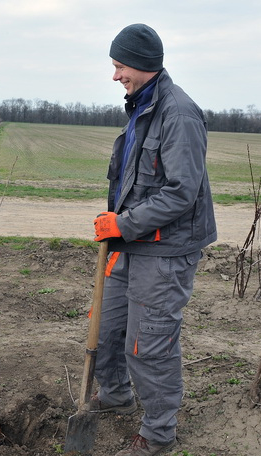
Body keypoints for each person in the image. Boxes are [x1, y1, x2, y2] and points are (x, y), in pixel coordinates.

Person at [91, 24, 217, 456]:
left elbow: (182, 192)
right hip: (132, 245)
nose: (115, 76)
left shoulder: (178, 113)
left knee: (149, 342)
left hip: (165, 250)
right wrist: (117, 225)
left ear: (142, 65)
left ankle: (158, 433)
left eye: (119, 66)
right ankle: (115, 394)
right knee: (107, 330)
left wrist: (123, 225)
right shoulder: (141, 107)